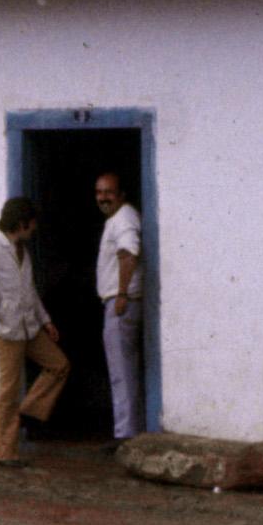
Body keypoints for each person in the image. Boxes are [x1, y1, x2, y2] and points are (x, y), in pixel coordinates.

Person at [0, 196, 68, 465]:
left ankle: (29, 412)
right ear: (21, 223)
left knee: (59, 365)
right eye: (32, 224)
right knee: (9, 389)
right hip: (6, 329)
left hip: (29, 326)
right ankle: (3, 452)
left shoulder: (22, 250)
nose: (35, 228)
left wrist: (45, 321)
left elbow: (29, 291)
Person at [95, 172, 146, 443]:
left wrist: (123, 294)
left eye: (108, 192)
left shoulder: (124, 217)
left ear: (121, 194)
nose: (103, 197)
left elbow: (129, 253)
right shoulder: (118, 218)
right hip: (118, 300)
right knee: (124, 370)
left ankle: (126, 435)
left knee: (122, 373)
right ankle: (128, 431)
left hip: (120, 301)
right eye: (99, 192)